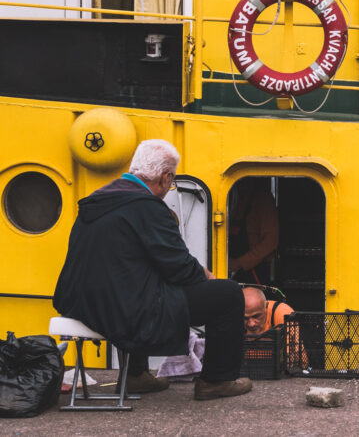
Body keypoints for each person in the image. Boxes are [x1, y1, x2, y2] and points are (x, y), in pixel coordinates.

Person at [53, 139, 253, 400]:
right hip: (119, 310)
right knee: (227, 294)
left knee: (141, 283)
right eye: (171, 182)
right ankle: (216, 381)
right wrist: (206, 275)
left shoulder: (100, 200)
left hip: (80, 304)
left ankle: (136, 376)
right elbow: (180, 269)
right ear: (165, 177)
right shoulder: (145, 206)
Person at [228, 177, 279, 285]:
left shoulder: (263, 199)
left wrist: (239, 263)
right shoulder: (233, 198)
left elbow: (271, 241)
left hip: (255, 272)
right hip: (233, 270)